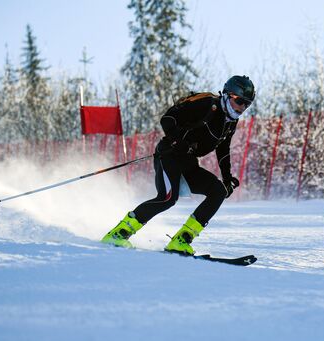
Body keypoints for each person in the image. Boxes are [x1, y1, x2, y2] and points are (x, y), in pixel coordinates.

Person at [101, 75, 255, 255]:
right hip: (169, 155)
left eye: (247, 104)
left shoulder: (231, 121)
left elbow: (223, 149)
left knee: (218, 191)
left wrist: (227, 178)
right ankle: (119, 233)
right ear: (228, 95)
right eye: (239, 101)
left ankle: (182, 240)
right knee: (167, 198)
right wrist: (176, 141)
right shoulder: (207, 103)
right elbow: (168, 118)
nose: (242, 107)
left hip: (188, 161)